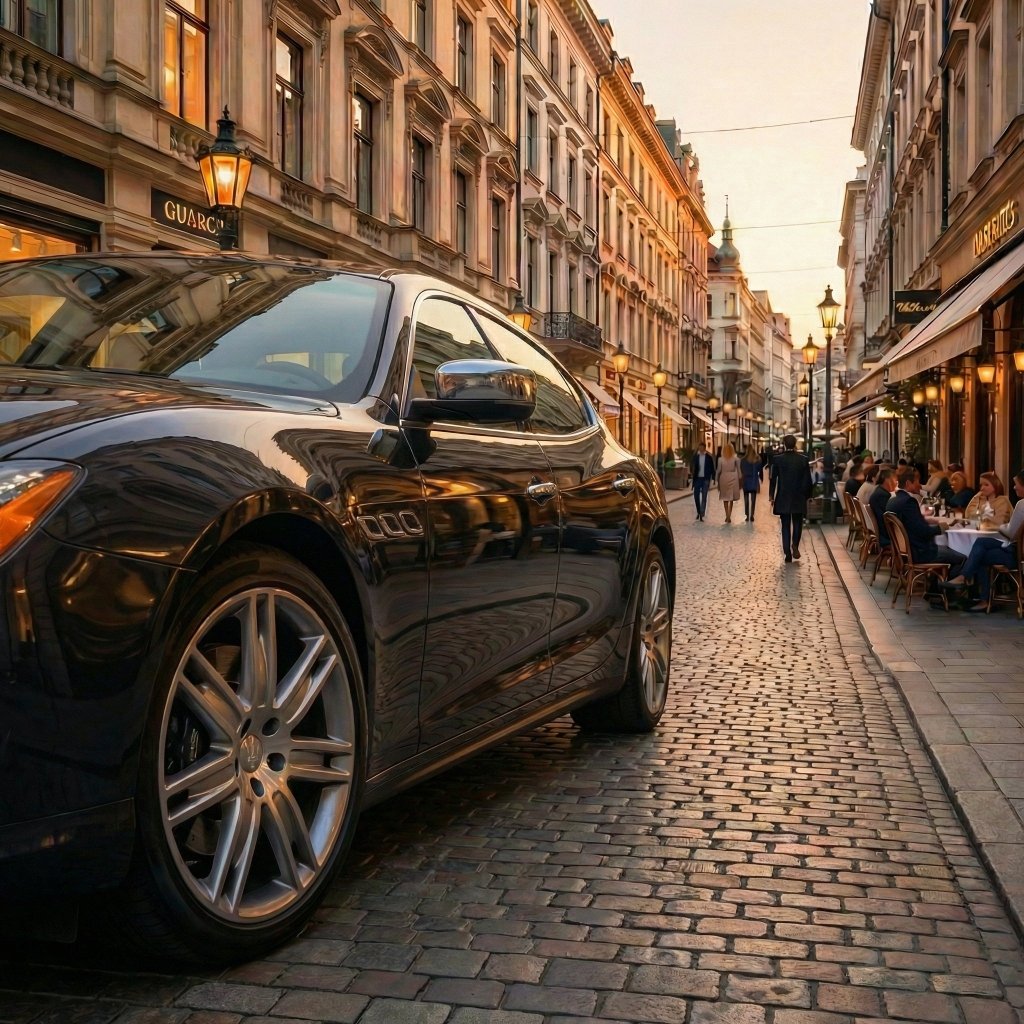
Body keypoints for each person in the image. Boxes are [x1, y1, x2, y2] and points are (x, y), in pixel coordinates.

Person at [942, 470, 1024, 611]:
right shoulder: (981, 498)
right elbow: (970, 515)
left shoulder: (1021, 505)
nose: (1014, 487)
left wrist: (1003, 526)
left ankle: (973, 588)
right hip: (1014, 549)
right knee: (980, 544)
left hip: (1016, 554)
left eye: (1016, 484)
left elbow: (1011, 533)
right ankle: (966, 581)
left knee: (978, 554)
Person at [886, 468, 966, 594]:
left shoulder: (893, 501)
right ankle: (943, 594)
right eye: (917, 482)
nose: (920, 485)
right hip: (920, 552)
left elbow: (911, 524)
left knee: (946, 550)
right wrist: (942, 527)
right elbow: (922, 531)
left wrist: (927, 521)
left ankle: (934, 591)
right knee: (962, 557)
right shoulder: (909, 501)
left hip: (905, 551)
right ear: (908, 483)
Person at [769, 434, 812, 563]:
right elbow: (807, 481)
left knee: (785, 524)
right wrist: (808, 495)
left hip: (783, 496)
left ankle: (787, 551)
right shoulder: (803, 460)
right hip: (798, 495)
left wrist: (771, 495)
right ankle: (795, 545)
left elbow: (773, 479)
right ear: (795, 444)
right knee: (798, 522)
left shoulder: (778, 459)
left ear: (784, 444)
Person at [869, 468, 898, 549]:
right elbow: (888, 518)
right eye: (895, 479)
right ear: (888, 480)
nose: (896, 483)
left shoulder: (879, 491)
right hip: (886, 535)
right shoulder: (882, 495)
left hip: (883, 532)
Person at [716, 442, 742, 524]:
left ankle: (727, 514)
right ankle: (729, 515)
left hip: (723, 477)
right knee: (731, 497)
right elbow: (739, 471)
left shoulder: (720, 459)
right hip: (733, 477)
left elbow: (718, 470)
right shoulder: (736, 459)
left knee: (725, 497)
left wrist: (716, 480)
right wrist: (740, 479)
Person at [690, 441, 715, 522]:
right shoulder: (696, 457)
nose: (700, 449)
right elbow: (692, 465)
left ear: (704, 448)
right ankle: (698, 511)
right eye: (699, 447)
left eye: (701, 447)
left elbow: (712, 468)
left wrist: (713, 478)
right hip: (697, 479)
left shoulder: (708, 457)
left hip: (705, 479)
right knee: (696, 495)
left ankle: (701, 513)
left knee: (704, 496)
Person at [741, 443, 764, 522]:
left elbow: (742, 470)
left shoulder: (743, 460)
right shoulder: (757, 459)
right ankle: (752, 515)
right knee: (753, 499)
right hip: (754, 480)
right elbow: (760, 469)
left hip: (746, 480)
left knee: (746, 498)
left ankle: (747, 515)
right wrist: (761, 478)